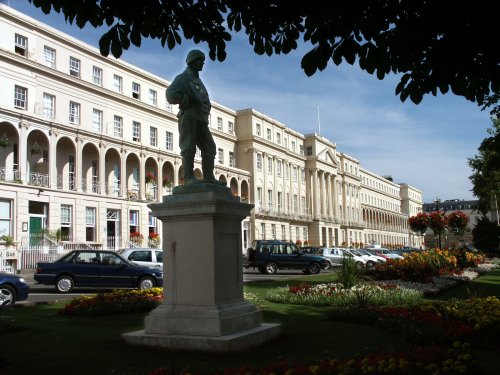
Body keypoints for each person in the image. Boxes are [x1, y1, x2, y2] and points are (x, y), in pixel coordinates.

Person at [166, 49, 226, 186]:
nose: (202, 64)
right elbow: (170, 95)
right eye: (200, 60)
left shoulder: (197, 80)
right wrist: (186, 99)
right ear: (192, 61)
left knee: (209, 147)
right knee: (188, 147)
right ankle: (189, 178)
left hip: (201, 119)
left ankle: (209, 177)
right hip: (189, 117)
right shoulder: (183, 78)